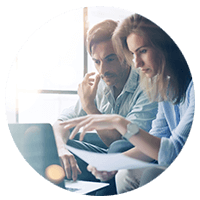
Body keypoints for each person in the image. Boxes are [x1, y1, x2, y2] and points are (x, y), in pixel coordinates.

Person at [61, 14, 195, 194]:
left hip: (162, 155)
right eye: (133, 53)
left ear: (164, 45)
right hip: (149, 153)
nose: (137, 63)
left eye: (143, 51)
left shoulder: (188, 88)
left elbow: (172, 150)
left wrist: (117, 121)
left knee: (142, 168)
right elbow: (157, 136)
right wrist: (113, 163)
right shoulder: (165, 85)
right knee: (124, 173)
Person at [53, 19, 158, 188]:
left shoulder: (147, 83)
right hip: (106, 154)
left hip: (137, 154)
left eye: (110, 59)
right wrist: (61, 149)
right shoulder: (99, 84)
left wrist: (90, 108)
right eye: (97, 61)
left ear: (126, 54)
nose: (102, 70)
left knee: (118, 147)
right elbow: (61, 123)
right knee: (54, 147)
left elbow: (129, 139)